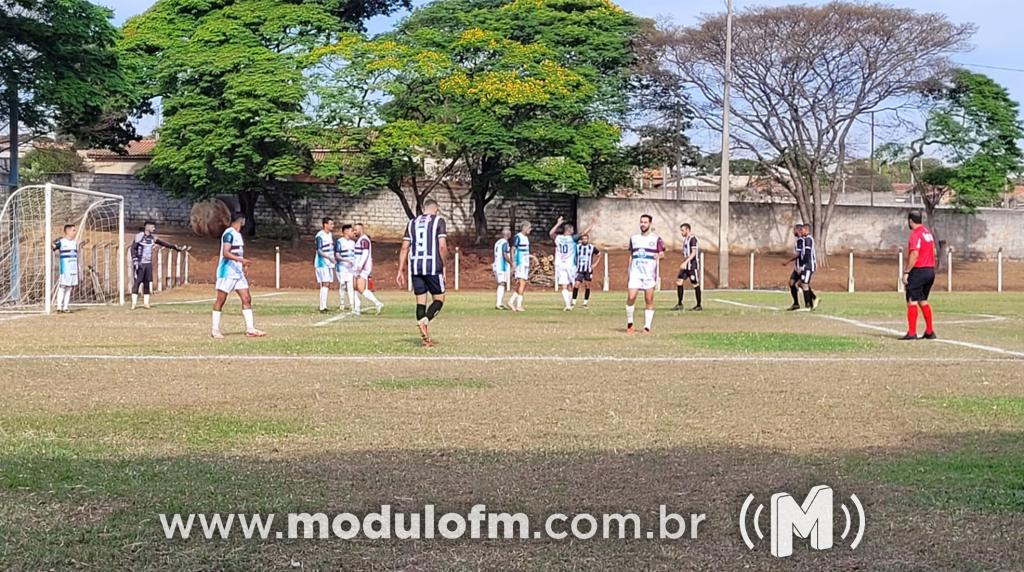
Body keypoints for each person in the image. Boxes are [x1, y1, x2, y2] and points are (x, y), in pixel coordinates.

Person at [397, 199, 448, 347]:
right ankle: (424, 321)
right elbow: (442, 246)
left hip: (416, 267)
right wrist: (444, 265)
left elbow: (404, 247)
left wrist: (400, 270)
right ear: (435, 209)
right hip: (433, 266)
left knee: (421, 301)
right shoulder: (439, 221)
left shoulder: (411, 223)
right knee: (439, 299)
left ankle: (426, 339)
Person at [211, 212, 266, 339]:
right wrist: (242, 261)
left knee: (246, 298)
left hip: (237, 272)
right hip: (227, 272)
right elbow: (225, 253)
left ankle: (250, 329)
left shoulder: (238, 235)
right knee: (221, 300)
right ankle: (215, 330)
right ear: (241, 220)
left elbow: (237, 253)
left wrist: (243, 265)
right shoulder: (229, 234)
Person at [130, 221, 184, 310]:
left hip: (148, 264)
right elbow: (133, 248)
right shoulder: (139, 236)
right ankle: (134, 304)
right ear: (147, 227)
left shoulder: (152, 238)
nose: (154, 229)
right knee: (137, 282)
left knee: (147, 283)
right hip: (140, 263)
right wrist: (135, 260)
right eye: (152, 227)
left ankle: (146, 303)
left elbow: (163, 243)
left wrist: (174, 247)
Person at [901, 211, 937, 340]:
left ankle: (911, 333)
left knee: (912, 301)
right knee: (923, 300)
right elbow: (933, 251)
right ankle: (929, 331)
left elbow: (914, 254)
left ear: (910, 221)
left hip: (919, 271)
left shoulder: (915, 234)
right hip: (930, 270)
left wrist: (906, 272)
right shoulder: (928, 233)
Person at [626, 214, 665, 334]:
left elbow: (662, 253)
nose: (643, 224)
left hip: (649, 274)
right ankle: (630, 324)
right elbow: (631, 254)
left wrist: (659, 256)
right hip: (635, 273)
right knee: (631, 297)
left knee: (649, 299)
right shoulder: (634, 238)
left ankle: (647, 327)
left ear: (650, 224)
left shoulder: (656, 239)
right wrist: (629, 269)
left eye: (645, 222)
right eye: (641, 222)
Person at [550, 215, 596, 311]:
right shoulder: (572, 238)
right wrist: (592, 224)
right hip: (571, 265)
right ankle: (570, 304)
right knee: (572, 284)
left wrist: (558, 223)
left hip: (560, 264)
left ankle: (567, 305)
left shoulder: (558, 238)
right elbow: (584, 233)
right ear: (569, 230)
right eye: (572, 230)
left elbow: (550, 233)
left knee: (564, 286)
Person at [52, 224, 87, 314]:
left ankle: (65, 307)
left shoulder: (74, 242)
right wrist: (54, 245)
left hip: (73, 268)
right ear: (68, 231)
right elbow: (53, 247)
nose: (74, 232)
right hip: (65, 269)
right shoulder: (62, 242)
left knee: (70, 287)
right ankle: (59, 307)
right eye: (73, 230)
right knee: (63, 286)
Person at [352, 223, 384, 315]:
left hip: (362, 268)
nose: (354, 232)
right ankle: (356, 309)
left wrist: (360, 266)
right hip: (357, 267)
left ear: (360, 229)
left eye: (355, 230)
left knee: (361, 289)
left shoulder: (364, 240)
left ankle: (378, 303)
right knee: (356, 288)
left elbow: (365, 254)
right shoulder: (359, 240)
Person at [508, 221, 538, 312]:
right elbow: (513, 249)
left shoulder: (526, 238)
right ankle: (519, 305)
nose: (530, 229)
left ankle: (511, 301)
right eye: (529, 228)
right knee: (522, 283)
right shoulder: (518, 237)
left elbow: (525, 252)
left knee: (522, 283)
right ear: (524, 228)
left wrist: (532, 257)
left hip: (525, 263)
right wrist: (513, 262)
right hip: (520, 263)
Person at [674, 223, 702, 311]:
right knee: (679, 281)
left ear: (687, 230)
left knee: (695, 284)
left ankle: (698, 305)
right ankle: (679, 303)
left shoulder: (693, 239)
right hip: (686, 266)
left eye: (682, 230)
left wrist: (686, 262)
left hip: (692, 266)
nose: (681, 232)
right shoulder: (686, 239)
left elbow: (693, 253)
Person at [572, 234, 601, 309]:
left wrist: (595, 264)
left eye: (586, 239)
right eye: (583, 239)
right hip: (579, 269)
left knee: (587, 286)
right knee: (576, 284)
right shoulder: (577, 247)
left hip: (588, 270)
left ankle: (585, 303)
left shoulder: (591, 247)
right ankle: (573, 302)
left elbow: (599, 254)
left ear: (588, 240)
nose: (584, 240)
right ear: (581, 240)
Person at [315, 217, 336, 313]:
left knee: (327, 283)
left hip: (329, 263)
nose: (333, 226)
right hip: (322, 262)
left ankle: (323, 305)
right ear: (325, 224)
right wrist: (329, 258)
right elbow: (319, 251)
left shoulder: (330, 234)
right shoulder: (320, 235)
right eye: (331, 224)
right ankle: (322, 306)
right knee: (325, 283)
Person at [782, 225, 805, 311]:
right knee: (791, 283)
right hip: (797, 267)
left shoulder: (801, 240)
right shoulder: (799, 240)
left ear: (799, 230)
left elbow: (798, 254)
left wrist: (787, 261)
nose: (793, 232)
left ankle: (813, 298)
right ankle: (796, 304)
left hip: (802, 266)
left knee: (802, 284)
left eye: (794, 230)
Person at [334, 223, 357, 311]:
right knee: (342, 285)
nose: (353, 233)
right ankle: (342, 303)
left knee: (350, 285)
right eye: (351, 231)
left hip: (350, 268)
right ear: (346, 231)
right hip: (342, 267)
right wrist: (346, 260)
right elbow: (337, 255)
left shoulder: (352, 243)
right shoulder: (340, 242)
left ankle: (352, 304)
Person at [798, 224, 819, 310]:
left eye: (802, 230)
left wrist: (803, 265)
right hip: (807, 265)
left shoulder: (808, 240)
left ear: (807, 230)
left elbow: (807, 254)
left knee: (804, 284)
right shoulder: (805, 239)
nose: (801, 231)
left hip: (809, 265)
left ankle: (808, 304)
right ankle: (813, 300)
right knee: (801, 283)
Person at [493, 228, 513, 310]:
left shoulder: (498, 242)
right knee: (502, 283)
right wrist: (511, 263)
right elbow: (505, 254)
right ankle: (498, 304)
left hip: (496, 264)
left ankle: (499, 302)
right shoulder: (505, 243)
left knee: (502, 284)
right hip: (501, 265)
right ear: (508, 235)